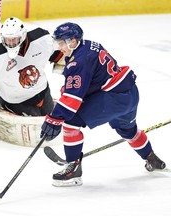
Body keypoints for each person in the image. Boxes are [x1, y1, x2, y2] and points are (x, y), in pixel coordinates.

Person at [40, 22, 166, 187]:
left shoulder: (78, 62)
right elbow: (96, 77)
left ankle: (73, 170)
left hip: (114, 99)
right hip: (130, 94)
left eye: (62, 43)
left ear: (72, 41)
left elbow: (72, 99)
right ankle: (151, 158)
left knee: (71, 122)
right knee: (128, 130)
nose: (60, 47)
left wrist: (54, 119)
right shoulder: (91, 45)